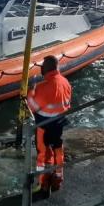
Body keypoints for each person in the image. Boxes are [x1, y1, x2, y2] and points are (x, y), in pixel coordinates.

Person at [27, 55, 72, 195]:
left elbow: (32, 106)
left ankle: (43, 183)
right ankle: (58, 179)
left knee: (44, 154)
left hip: (44, 125)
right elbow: (67, 104)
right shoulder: (65, 83)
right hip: (59, 123)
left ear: (46, 68)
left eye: (42, 66)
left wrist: (31, 90)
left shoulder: (42, 87)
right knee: (58, 149)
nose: (40, 68)